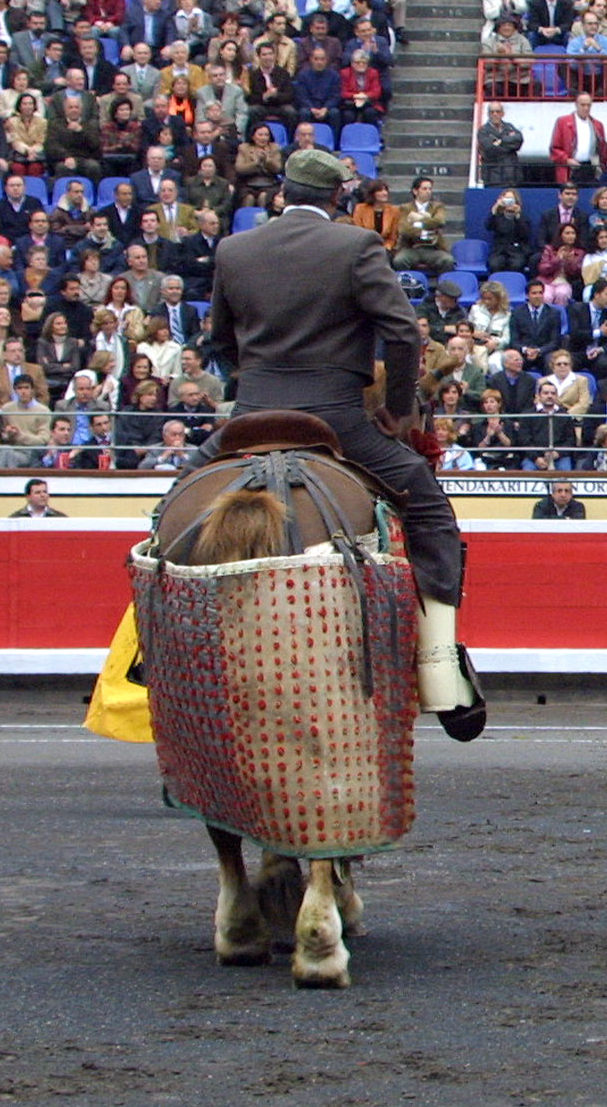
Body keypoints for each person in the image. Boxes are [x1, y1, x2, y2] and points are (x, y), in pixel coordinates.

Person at [206, 150, 483, 739]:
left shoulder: (234, 250)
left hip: (252, 410)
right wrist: (400, 410)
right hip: (336, 416)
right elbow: (404, 333)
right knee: (430, 508)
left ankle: (146, 656)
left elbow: (219, 341)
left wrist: (250, 385)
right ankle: (439, 672)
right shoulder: (357, 248)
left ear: (282, 191)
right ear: (338, 199)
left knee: (167, 511)